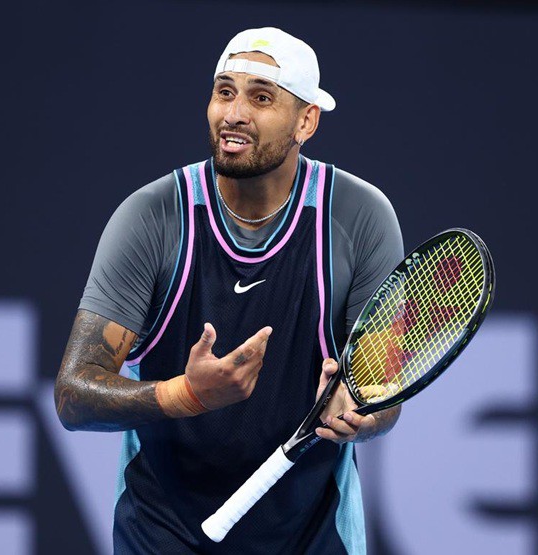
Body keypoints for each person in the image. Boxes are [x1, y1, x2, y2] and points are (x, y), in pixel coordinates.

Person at [55, 27, 404, 554]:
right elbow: (73, 395)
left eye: (261, 98)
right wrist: (187, 394)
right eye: (224, 92)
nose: (234, 114)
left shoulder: (361, 218)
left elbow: (381, 399)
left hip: (312, 537)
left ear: (306, 121)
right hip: (160, 535)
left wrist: (358, 413)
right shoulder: (151, 218)